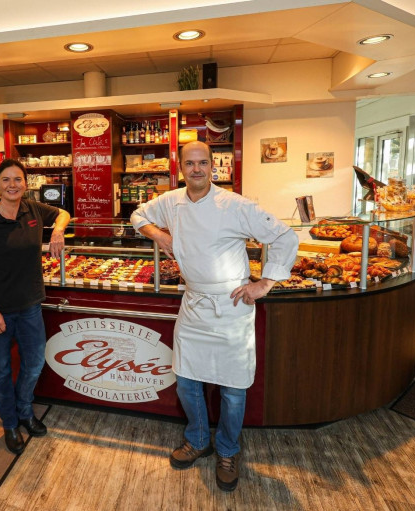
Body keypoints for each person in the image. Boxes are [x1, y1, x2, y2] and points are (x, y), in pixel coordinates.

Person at [130, 141, 298, 491]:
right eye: (190, 164)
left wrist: (264, 284)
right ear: (180, 167)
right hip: (193, 304)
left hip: (231, 306)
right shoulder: (171, 201)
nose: (197, 170)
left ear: (213, 167)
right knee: (187, 381)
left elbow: (284, 236)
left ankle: (227, 450)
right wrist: (159, 234)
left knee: (233, 389)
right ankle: (198, 440)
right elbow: (137, 215)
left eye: (203, 163)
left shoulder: (235, 205)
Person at [0, 158, 70, 454]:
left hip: (30, 306)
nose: (12, 185)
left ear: (26, 184)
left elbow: (63, 212)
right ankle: (10, 423)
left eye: (18, 180)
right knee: (0, 370)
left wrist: (57, 231)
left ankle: (25, 411)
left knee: (34, 363)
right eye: (6, 180)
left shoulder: (33, 209)